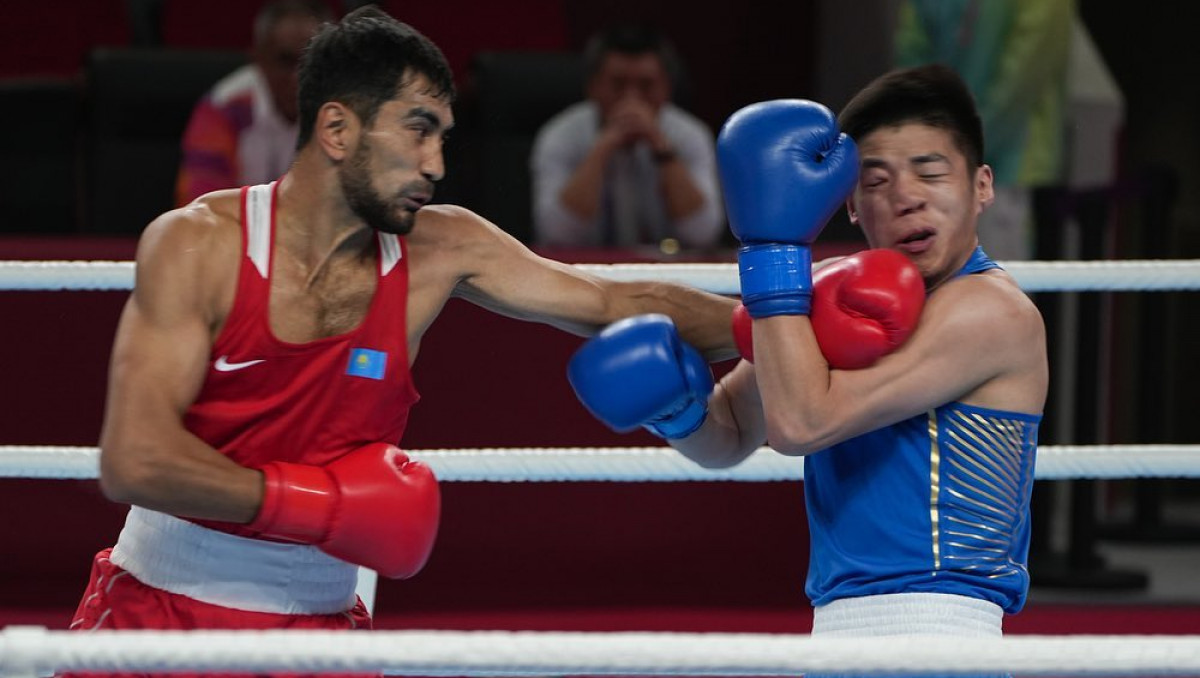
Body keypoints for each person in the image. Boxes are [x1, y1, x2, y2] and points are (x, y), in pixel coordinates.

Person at [65, 4, 737, 659]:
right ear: (336, 129)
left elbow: (617, 298)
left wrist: (792, 320)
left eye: (443, 136)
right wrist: (318, 508)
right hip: (159, 613)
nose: (436, 164)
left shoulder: (442, 247)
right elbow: (135, 459)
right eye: (418, 131)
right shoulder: (200, 244)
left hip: (316, 630)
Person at [568, 64, 1049, 643]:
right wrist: (678, 410)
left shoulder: (992, 312)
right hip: (838, 624)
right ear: (849, 207)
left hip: (938, 626)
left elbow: (801, 423)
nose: (906, 198)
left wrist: (771, 248)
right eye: (875, 182)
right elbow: (730, 436)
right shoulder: (835, 300)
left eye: (930, 172)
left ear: (981, 186)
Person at [893, 0, 1075, 260]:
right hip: (936, 165)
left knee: (998, 282)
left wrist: (949, 151)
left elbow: (1021, 81)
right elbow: (911, 64)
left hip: (1009, 167)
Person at [530, 23, 723, 252]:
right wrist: (602, 149)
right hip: (586, 276)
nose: (631, 98)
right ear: (592, 86)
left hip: (668, 276)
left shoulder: (690, 136)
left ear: (667, 88)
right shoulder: (560, 135)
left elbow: (703, 234)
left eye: (646, 85)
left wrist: (662, 149)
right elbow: (556, 235)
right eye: (618, 84)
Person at [174, 0, 332, 206]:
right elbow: (200, 204)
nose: (297, 77)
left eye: (311, 62)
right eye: (285, 61)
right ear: (258, 58)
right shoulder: (221, 109)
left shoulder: (347, 111)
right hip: (235, 233)